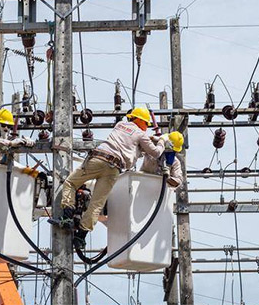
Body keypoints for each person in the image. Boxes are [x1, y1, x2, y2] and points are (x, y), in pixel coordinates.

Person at [49, 107, 169, 249]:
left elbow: (129, 139)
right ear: (142, 122)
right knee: (97, 203)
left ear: (132, 118)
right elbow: (155, 152)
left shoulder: (120, 125)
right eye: (145, 124)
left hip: (98, 158)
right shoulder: (141, 135)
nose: (145, 127)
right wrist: (161, 141)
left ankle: (67, 217)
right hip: (113, 169)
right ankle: (80, 236)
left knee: (70, 183)